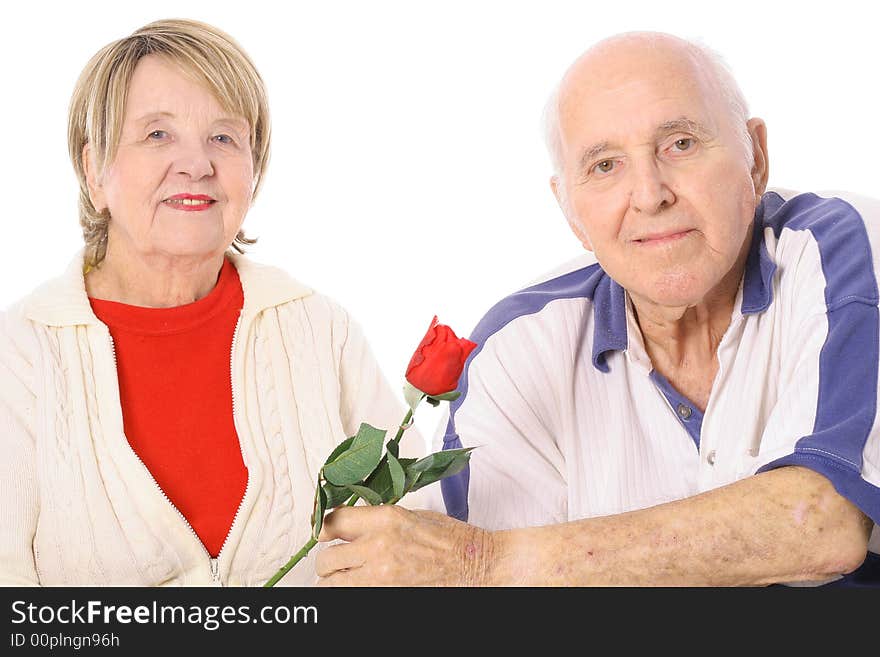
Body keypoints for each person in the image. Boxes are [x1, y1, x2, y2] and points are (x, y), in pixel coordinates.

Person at [314, 31, 880, 586]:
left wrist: (485, 562)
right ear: (570, 211)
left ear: (756, 157)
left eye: (679, 144)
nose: (650, 194)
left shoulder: (842, 250)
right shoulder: (520, 345)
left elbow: (823, 523)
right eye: (605, 165)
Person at [0, 18, 423, 586]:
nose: (197, 164)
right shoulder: (19, 356)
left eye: (224, 137)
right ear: (94, 171)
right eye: (157, 135)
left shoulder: (321, 330)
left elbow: (420, 543)